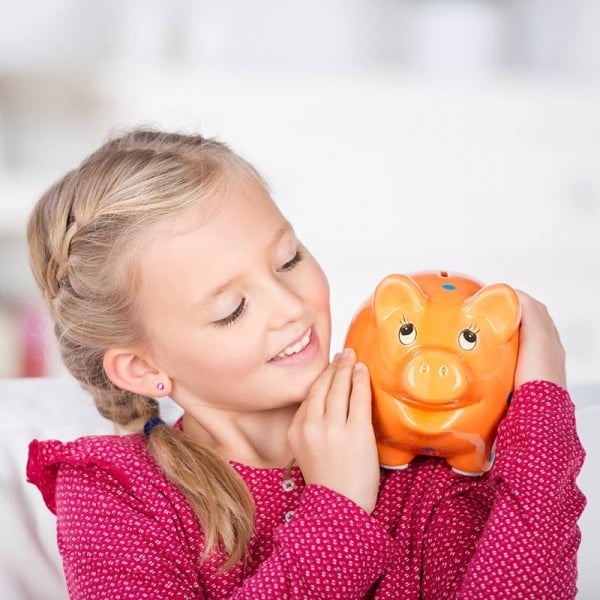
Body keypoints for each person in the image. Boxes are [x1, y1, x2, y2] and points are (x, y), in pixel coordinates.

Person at [26, 129, 586, 599]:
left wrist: (540, 412)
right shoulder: (117, 495)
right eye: (233, 309)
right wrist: (338, 509)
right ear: (143, 367)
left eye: (288, 259)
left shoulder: (426, 453)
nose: (292, 307)